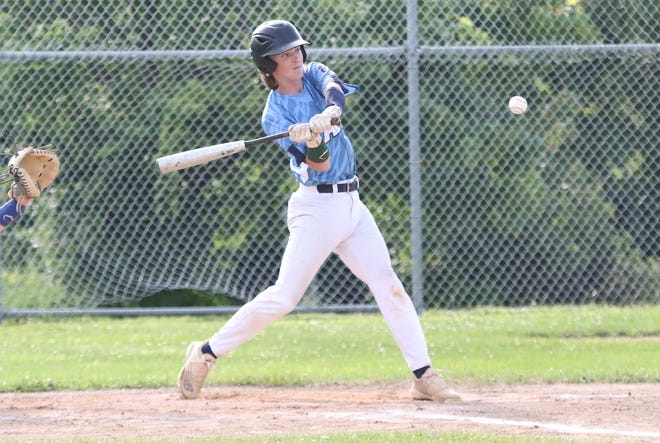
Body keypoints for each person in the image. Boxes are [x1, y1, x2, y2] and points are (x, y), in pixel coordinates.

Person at [178, 19, 461, 402]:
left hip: (352, 205)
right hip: (316, 209)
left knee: (388, 284)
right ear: (268, 65)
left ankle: (423, 376)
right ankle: (206, 353)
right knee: (285, 298)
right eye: (285, 53)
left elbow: (334, 90)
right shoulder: (274, 117)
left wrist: (327, 113)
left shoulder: (312, 74)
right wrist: (311, 141)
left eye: (296, 50)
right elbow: (320, 167)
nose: (295, 57)